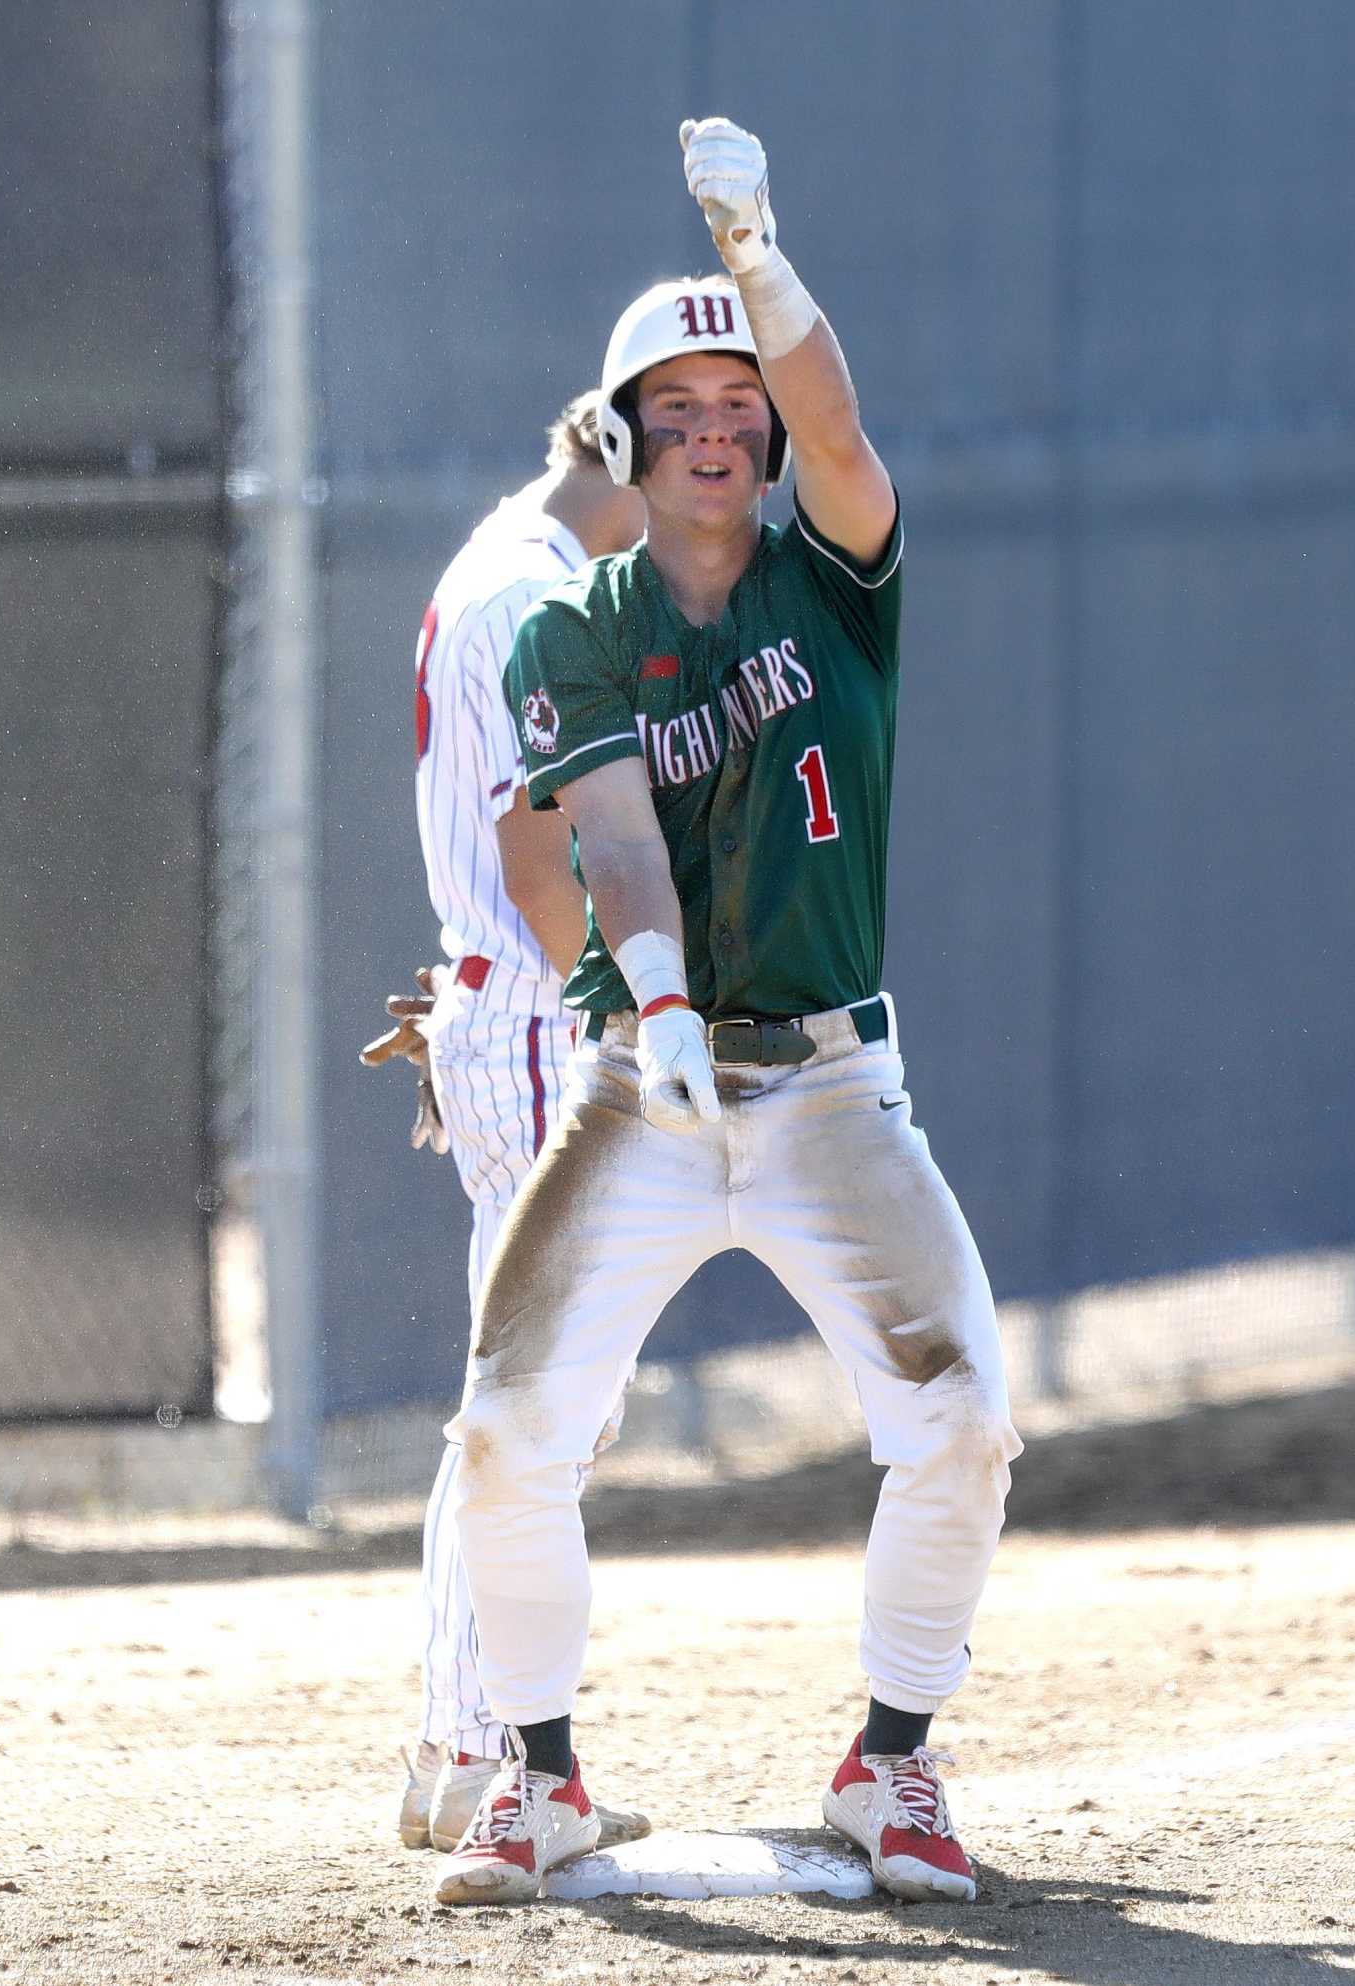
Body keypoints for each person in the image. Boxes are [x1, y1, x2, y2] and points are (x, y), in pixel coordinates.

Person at [432, 117, 1022, 1908]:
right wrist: (666, 1010)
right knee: (504, 1426)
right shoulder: (573, 628)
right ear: (619, 434)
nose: (714, 426)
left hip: (836, 1083)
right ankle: (536, 1782)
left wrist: (759, 258)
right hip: (648, 1085)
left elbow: (840, 428)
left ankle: (892, 1765)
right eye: (673, 404)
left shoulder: (835, 573)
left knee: (968, 1415)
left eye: (733, 401)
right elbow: (612, 841)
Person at [359, 391, 649, 1859]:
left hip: (497, 1001)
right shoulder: (537, 588)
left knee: (521, 1400)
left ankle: (454, 1741)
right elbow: (548, 856)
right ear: (618, 456)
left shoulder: (500, 558)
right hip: (540, 1010)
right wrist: (629, 999)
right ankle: (480, 1754)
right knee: (541, 1405)